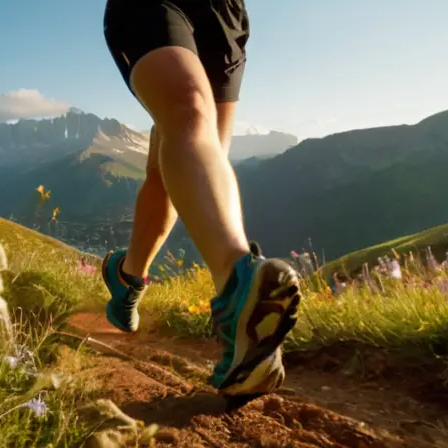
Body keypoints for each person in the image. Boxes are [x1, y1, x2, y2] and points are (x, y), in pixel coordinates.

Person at [100, 0, 301, 397]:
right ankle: (238, 290)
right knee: (188, 109)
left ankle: (126, 279)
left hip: (224, 13)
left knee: (187, 160)